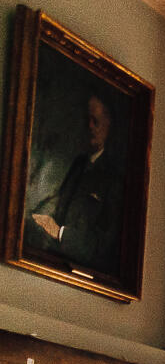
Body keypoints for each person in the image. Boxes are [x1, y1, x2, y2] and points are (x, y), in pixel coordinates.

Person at [28, 93, 121, 277]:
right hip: (56, 263)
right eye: (87, 120)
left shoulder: (113, 178)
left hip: (83, 274)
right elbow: (58, 199)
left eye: (96, 121)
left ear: (108, 124)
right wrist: (39, 214)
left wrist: (59, 232)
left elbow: (102, 245)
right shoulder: (79, 164)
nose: (90, 127)